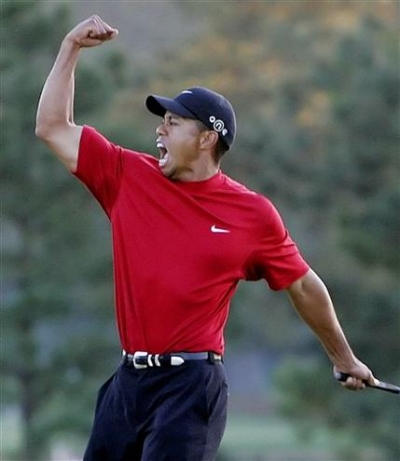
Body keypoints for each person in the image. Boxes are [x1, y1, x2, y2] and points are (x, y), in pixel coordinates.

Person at [35, 15, 377, 461]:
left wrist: (343, 357)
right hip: (127, 384)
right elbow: (52, 126)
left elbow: (303, 285)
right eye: (163, 121)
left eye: (173, 122)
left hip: (190, 389)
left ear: (207, 138)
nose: (160, 130)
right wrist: (70, 47)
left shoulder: (252, 213)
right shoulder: (126, 175)